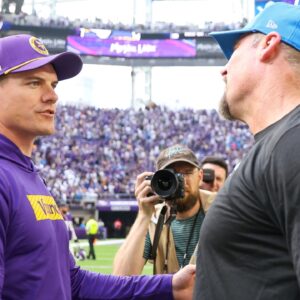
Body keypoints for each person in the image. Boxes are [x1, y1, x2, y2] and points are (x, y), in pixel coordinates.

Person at [0, 34, 195, 300]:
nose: (52, 96)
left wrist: (171, 286)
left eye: (54, 84)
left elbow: (72, 282)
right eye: (34, 83)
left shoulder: (26, 174)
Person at [194, 3, 300, 299]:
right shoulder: (280, 143)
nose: (223, 69)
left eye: (234, 51)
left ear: (268, 44)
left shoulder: (293, 141)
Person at [113, 144, 216, 275]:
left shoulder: (221, 209)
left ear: (200, 176)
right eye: (171, 175)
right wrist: (144, 215)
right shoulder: (154, 219)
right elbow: (121, 277)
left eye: (187, 172)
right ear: (157, 180)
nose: (181, 181)